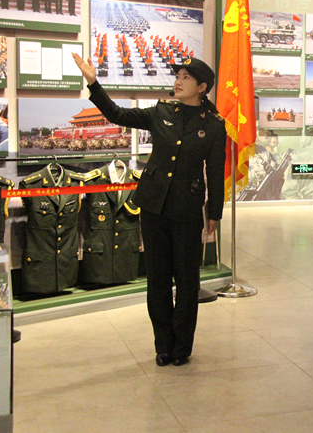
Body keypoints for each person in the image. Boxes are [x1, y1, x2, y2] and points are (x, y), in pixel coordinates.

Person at [72, 53, 226, 368]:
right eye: (178, 76)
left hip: (187, 209)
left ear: (202, 87)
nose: (178, 81)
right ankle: (163, 345)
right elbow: (116, 114)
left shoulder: (213, 126)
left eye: (185, 77)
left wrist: (215, 213)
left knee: (187, 280)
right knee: (157, 278)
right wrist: (93, 82)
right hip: (154, 206)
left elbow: (215, 170)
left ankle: (182, 347)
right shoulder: (161, 112)